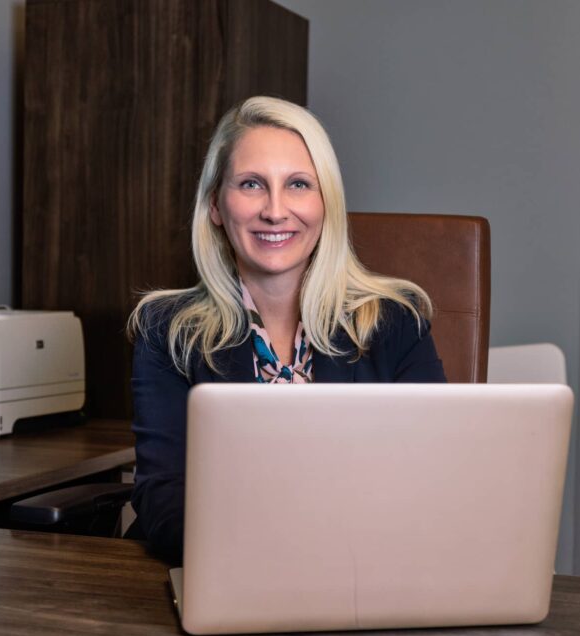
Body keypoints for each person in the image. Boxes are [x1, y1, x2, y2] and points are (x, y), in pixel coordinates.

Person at [129, 96, 446, 563]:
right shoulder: (168, 333)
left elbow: (433, 482)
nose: (275, 211)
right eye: (252, 184)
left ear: (326, 204)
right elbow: (163, 498)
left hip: (364, 571)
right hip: (223, 570)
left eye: (298, 184)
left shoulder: (394, 321)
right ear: (216, 204)